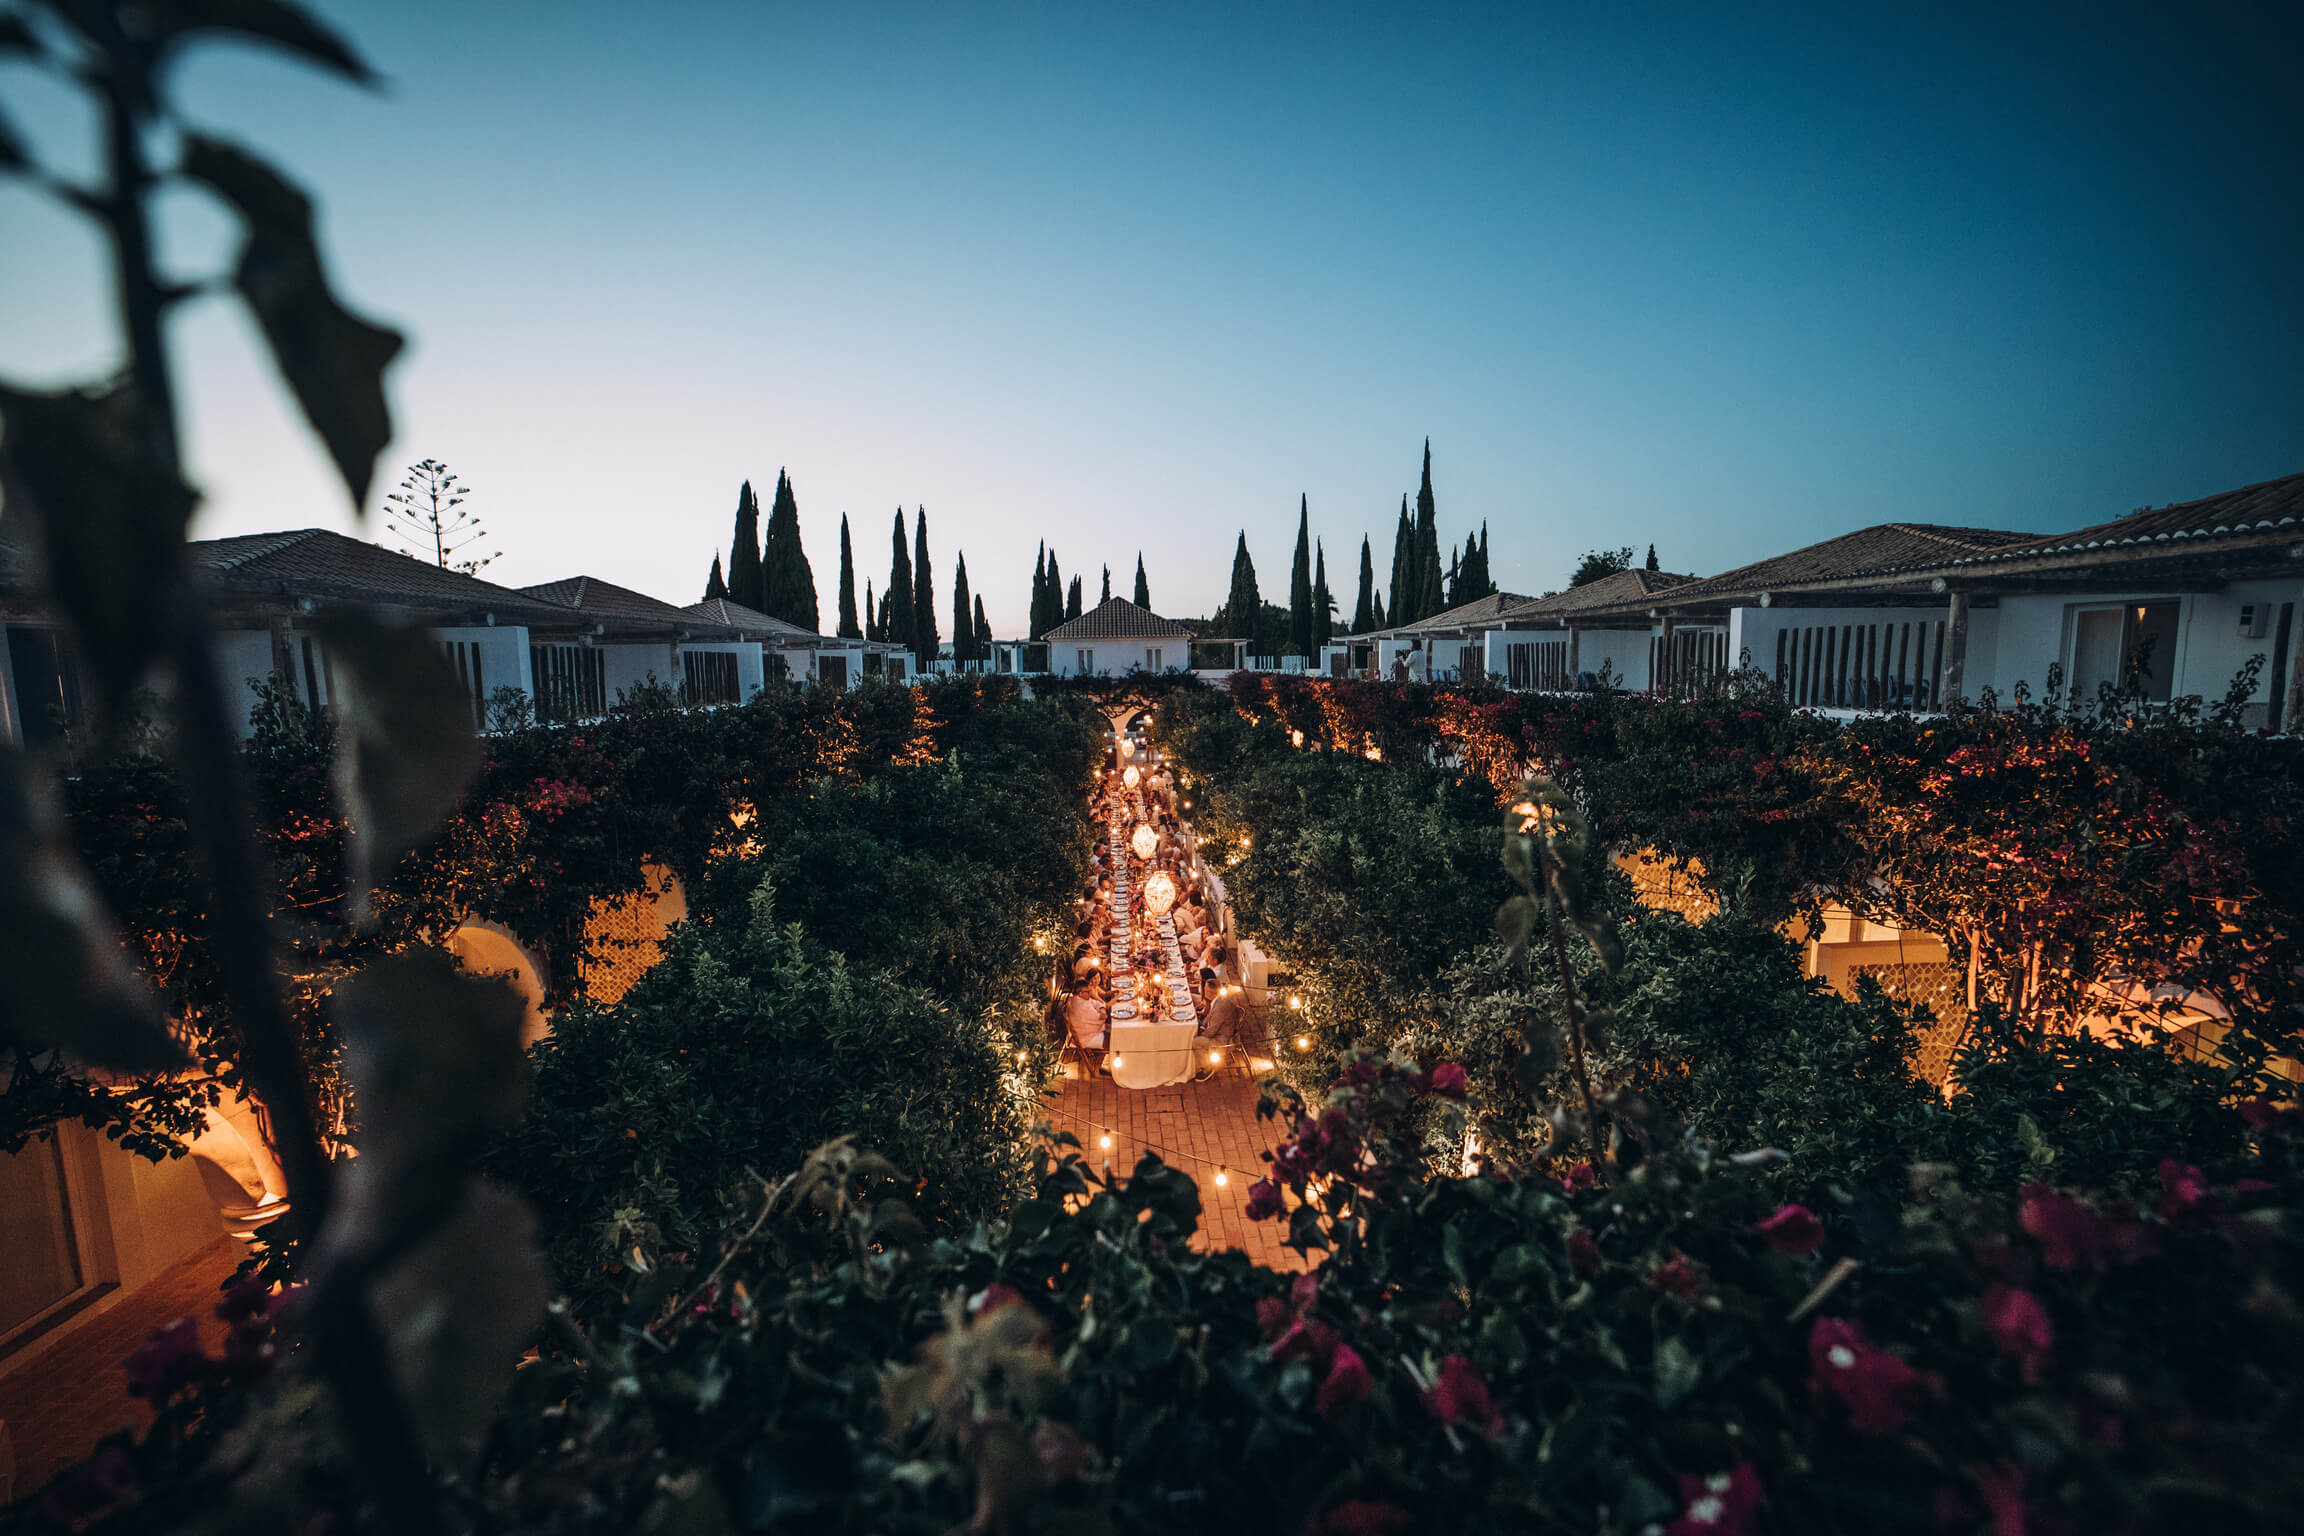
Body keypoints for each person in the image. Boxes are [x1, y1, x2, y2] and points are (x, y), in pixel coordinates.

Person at [1199, 980, 1246, 1047]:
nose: (1203, 989)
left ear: (1209, 993)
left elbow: (1211, 1032)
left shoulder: (1219, 1009)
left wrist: (1199, 1034)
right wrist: (1201, 1025)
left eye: (1205, 989)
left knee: (1195, 1042)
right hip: (1219, 1032)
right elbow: (1209, 1017)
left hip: (1221, 1041)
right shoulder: (1219, 999)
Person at [1064, 984, 1108, 1052]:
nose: (1090, 993)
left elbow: (1097, 1003)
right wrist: (1102, 1011)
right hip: (1086, 1038)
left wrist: (1102, 1008)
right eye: (1087, 991)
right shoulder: (1081, 1005)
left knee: (1114, 1030)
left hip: (1085, 1032)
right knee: (1114, 1038)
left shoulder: (1078, 998)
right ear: (1080, 993)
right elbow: (1102, 1018)